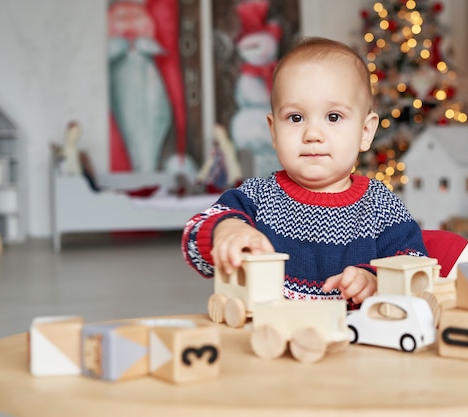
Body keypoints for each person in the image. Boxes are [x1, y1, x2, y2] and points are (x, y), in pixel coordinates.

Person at [182, 37, 427, 308]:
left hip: (353, 341)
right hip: (267, 335)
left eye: (333, 117)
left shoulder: (381, 206)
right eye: (295, 118)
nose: (312, 134)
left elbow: (413, 264)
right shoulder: (257, 197)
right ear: (274, 131)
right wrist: (226, 231)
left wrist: (375, 280)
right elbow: (196, 244)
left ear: (365, 132)